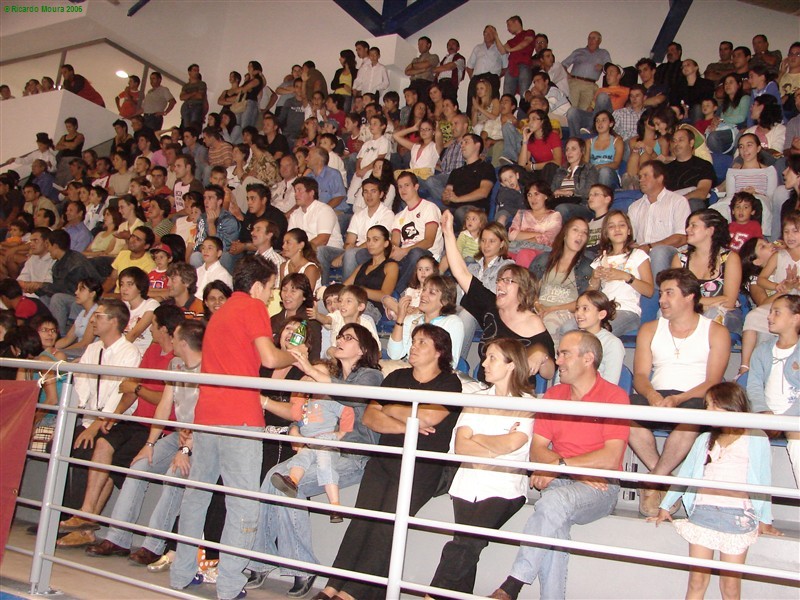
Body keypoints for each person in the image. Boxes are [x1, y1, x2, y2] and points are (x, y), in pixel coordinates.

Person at [170, 256, 304, 600]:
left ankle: (181, 572)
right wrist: (297, 355)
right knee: (243, 503)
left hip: (208, 415)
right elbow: (270, 359)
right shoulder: (252, 306)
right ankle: (229, 586)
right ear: (258, 285)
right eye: (272, 288)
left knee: (197, 495)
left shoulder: (221, 312)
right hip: (239, 417)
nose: (272, 295)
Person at [317, 323, 462, 600]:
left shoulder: (449, 383)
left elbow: (430, 418)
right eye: (414, 340)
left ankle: (352, 594)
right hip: (385, 459)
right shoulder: (397, 377)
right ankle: (332, 586)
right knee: (362, 521)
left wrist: (392, 409)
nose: (414, 346)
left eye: (422, 343)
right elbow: (371, 417)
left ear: (439, 352)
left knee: (385, 527)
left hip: (421, 467)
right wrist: (408, 423)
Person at [489, 330, 630, 600]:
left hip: (600, 486)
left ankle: (512, 585)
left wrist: (560, 467)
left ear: (588, 359)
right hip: (564, 480)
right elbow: (538, 447)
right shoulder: (554, 395)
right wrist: (567, 470)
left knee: (553, 504)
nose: (558, 360)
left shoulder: (614, 397)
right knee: (556, 523)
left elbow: (611, 458)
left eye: (565, 353)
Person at [246, 322, 383, 594]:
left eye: (349, 338)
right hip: (316, 451)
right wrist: (298, 428)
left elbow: (353, 398)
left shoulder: (370, 375)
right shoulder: (327, 377)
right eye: (340, 336)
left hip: (351, 455)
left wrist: (309, 370)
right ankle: (260, 559)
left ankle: (302, 567)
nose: (341, 340)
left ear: (363, 348)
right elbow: (309, 413)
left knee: (286, 488)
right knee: (272, 478)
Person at [56, 304, 181, 549]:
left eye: (153, 325)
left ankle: (93, 526)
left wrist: (137, 389)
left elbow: (167, 400)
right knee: (102, 442)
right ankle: (86, 513)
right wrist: (112, 416)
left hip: (158, 428)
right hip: (135, 422)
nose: (149, 330)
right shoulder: (152, 352)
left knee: (120, 460)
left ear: (164, 329)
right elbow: (130, 388)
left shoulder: (176, 360)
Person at [429, 338, 535, 595]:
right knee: (469, 548)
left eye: (492, 358)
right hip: (467, 484)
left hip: (505, 487)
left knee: (464, 544)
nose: (484, 364)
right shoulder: (476, 398)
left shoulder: (528, 403)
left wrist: (478, 439)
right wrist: (492, 445)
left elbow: (513, 443)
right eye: (486, 357)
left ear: (511, 365)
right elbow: (461, 446)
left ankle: (432, 593)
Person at [650, 382, 773, 600]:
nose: (708, 412)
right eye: (707, 406)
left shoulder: (756, 437)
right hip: (703, 514)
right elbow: (687, 474)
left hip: (738, 517)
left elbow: (764, 478)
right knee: (697, 582)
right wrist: (665, 505)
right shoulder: (704, 439)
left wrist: (765, 518)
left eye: (714, 405)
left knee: (730, 586)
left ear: (732, 405)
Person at [629, 269, 731, 517]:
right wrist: (653, 396)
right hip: (659, 394)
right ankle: (663, 477)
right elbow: (640, 376)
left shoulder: (716, 331)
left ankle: (654, 482)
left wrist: (679, 399)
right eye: (661, 293)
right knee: (623, 410)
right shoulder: (650, 329)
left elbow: (713, 381)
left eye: (669, 293)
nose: (662, 299)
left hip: (695, 397)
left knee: (691, 418)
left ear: (690, 297)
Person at [442, 210, 556, 382]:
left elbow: (548, 373)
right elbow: (461, 272)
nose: (500, 284)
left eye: (508, 281)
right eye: (500, 280)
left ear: (523, 289)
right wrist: (448, 232)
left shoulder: (534, 323)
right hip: (483, 388)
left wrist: (541, 356)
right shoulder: (491, 305)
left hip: (514, 396)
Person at [747, 294, 800, 485]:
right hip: (767, 415)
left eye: (777, 312)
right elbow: (753, 385)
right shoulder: (762, 350)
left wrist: (785, 419)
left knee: (797, 439)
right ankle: (754, 503)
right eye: (770, 312)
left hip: (794, 416)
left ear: (796, 318)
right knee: (752, 439)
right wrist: (763, 411)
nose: (769, 317)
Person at [671, 209, 743, 333]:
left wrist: (690, 301)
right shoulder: (680, 259)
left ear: (710, 230)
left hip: (724, 314)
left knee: (712, 314)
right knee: (664, 311)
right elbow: (673, 296)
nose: (687, 229)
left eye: (693, 225)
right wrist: (704, 303)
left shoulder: (730, 258)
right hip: (688, 312)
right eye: (688, 226)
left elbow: (729, 301)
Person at [588, 210, 655, 335]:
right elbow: (589, 295)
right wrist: (595, 279)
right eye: (611, 226)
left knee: (598, 333)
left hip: (627, 310)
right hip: (602, 310)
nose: (617, 229)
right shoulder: (600, 259)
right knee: (569, 327)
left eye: (622, 225)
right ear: (606, 233)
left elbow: (649, 291)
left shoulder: (638, 255)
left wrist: (625, 276)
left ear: (629, 231)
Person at [529, 218, 592, 344]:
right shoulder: (543, 260)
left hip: (567, 312)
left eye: (584, 233)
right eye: (575, 230)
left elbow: (586, 303)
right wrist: (537, 305)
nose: (580, 235)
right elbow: (529, 288)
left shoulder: (587, 267)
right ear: (564, 234)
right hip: (539, 309)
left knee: (550, 323)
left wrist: (552, 309)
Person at [627, 161, 690, 278]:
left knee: (659, 252)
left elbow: (682, 237)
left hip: (671, 255)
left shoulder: (677, 201)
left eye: (646, 176)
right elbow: (629, 238)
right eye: (640, 176)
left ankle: (659, 293)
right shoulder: (635, 207)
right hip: (642, 254)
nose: (641, 180)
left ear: (660, 178)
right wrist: (630, 245)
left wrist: (650, 247)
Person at [390, 172, 444, 293]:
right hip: (406, 257)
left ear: (416, 187)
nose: (403, 189)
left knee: (415, 253)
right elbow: (394, 241)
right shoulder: (399, 216)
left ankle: (396, 293)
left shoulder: (429, 208)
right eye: (400, 186)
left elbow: (429, 241)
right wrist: (391, 251)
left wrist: (404, 251)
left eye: (406, 185)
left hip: (427, 256)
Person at [573, 290, 624, 384]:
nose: (578, 313)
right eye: (577, 308)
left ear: (601, 314)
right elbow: (560, 380)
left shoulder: (612, 343)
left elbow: (610, 384)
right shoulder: (571, 340)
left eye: (585, 308)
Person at [663, 127, 716, 212]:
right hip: (669, 206)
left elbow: (702, 192)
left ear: (691, 143)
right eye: (674, 141)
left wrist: (681, 200)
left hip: (689, 204)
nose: (676, 144)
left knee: (694, 203)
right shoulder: (666, 168)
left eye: (680, 140)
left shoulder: (704, 165)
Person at [273, 272, 322, 360]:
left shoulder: (311, 321)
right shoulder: (272, 320)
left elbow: (314, 357)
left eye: (293, 291)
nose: (287, 295)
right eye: (284, 290)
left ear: (304, 296)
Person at [550, 137, 599, 222]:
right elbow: (552, 190)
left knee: (562, 209)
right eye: (567, 149)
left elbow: (589, 192)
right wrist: (557, 193)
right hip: (559, 203)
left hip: (582, 205)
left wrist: (570, 193)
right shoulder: (560, 171)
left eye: (573, 149)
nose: (569, 152)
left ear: (582, 151)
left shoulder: (589, 169)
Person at [561, 32, 612, 111]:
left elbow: (610, 68)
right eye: (589, 38)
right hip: (575, 83)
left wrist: (602, 67)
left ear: (599, 41)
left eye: (594, 38)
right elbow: (563, 64)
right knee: (570, 109)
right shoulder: (579, 51)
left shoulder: (603, 53)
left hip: (590, 86)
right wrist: (567, 74)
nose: (591, 40)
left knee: (585, 111)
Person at [53, 278, 102, 359]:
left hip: (89, 353)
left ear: (92, 294)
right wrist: (53, 347)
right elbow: (68, 338)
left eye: (81, 290)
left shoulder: (96, 313)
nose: (76, 292)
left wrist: (60, 351)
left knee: (58, 356)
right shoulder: (82, 313)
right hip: (78, 351)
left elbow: (85, 343)